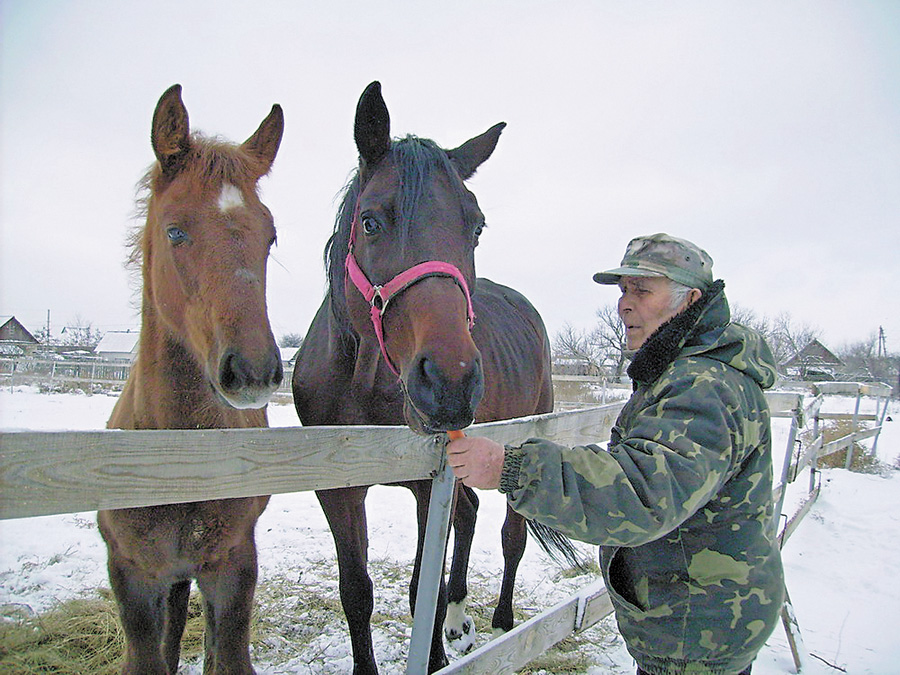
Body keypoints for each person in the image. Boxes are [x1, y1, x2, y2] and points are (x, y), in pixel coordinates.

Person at [447, 233, 784, 675]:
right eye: (623, 291)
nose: (624, 304)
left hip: (695, 634)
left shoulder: (704, 387)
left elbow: (643, 493)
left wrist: (509, 468)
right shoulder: (686, 373)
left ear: (691, 300)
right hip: (698, 618)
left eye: (643, 290)